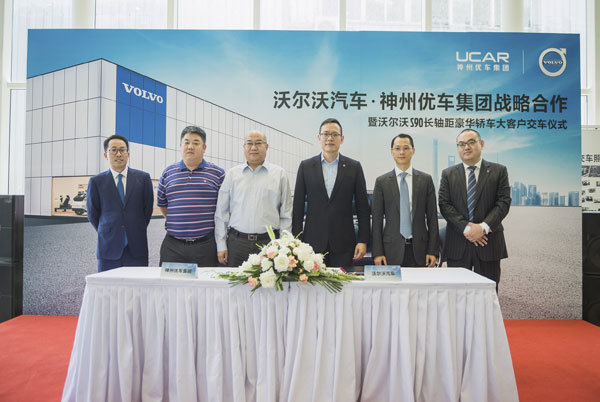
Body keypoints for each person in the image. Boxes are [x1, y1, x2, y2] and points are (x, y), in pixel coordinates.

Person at [292, 118, 370, 269]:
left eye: (334, 134)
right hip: (311, 244)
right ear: (319, 137)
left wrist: (363, 240)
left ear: (342, 139)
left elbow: (363, 208)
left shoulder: (354, 167)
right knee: (312, 284)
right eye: (326, 134)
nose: (330, 138)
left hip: (344, 243)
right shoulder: (306, 166)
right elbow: (298, 208)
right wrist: (296, 241)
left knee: (342, 283)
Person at [438, 128, 511, 288]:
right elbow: (444, 204)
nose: (466, 147)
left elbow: (503, 202)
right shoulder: (448, 174)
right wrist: (467, 228)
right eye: (461, 144)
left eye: (471, 142)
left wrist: (483, 228)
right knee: (456, 293)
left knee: (487, 292)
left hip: (488, 243)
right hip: (458, 243)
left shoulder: (499, 171)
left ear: (481, 144)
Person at [214, 130, 292, 267]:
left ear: (266, 147)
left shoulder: (279, 174)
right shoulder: (232, 174)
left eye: (258, 143)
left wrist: (284, 247)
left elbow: (286, 215)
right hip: (237, 244)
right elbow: (221, 212)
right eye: (249, 143)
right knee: (235, 281)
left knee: (268, 281)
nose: (253, 147)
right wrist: (221, 245)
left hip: (269, 244)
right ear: (244, 146)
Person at [157, 126, 225, 267]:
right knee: (170, 281)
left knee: (206, 281)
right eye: (186, 142)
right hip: (173, 246)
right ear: (180, 146)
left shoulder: (218, 173)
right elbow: (163, 205)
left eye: (196, 143)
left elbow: (224, 209)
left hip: (206, 245)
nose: (190, 146)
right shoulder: (168, 173)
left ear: (204, 147)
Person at [86, 134, 154, 272]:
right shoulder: (96, 182)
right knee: (107, 285)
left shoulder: (143, 178)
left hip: (137, 246)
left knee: (137, 284)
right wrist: (109, 229)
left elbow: (147, 210)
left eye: (122, 150)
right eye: (113, 150)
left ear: (128, 154)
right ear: (106, 155)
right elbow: (93, 214)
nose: (118, 154)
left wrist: (135, 226)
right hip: (108, 247)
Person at [372, 134, 439, 267]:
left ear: (413, 151)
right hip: (391, 250)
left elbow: (432, 218)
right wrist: (378, 252)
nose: (402, 152)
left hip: (420, 249)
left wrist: (432, 251)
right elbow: (377, 220)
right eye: (397, 148)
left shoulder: (425, 180)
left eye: (406, 148)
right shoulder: (382, 182)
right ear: (391, 152)